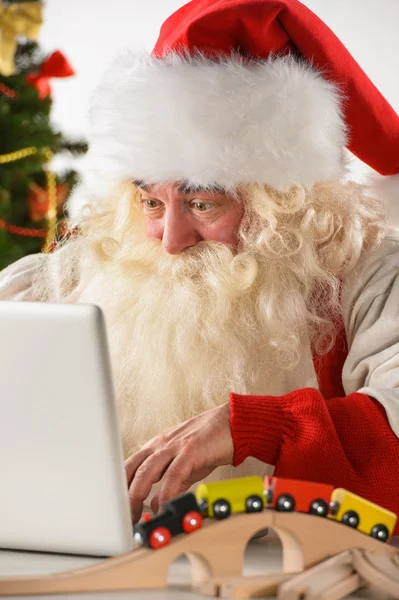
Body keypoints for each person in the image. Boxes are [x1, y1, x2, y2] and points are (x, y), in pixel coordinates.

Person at [1, 0, 399, 532]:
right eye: (151, 203)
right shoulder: (73, 282)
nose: (171, 240)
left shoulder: (368, 275)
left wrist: (254, 428)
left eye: (203, 204)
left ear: (283, 203)